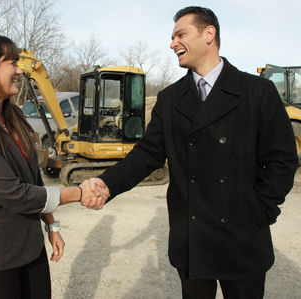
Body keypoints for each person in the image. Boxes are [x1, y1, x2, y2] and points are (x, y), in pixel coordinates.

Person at [85, 6, 299, 299]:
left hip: (242, 238)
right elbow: (147, 154)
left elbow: (283, 160)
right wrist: (107, 183)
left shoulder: (256, 91)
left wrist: (260, 211)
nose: (172, 43)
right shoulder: (171, 98)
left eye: (180, 34)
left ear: (209, 33)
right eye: (172, 37)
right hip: (193, 238)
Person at [0, 33, 107, 299]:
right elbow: (16, 193)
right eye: (12, 63)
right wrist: (79, 192)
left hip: (29, 248)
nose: (20, 70)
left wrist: (52, 225)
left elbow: (32, 177)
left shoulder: (14, 115)